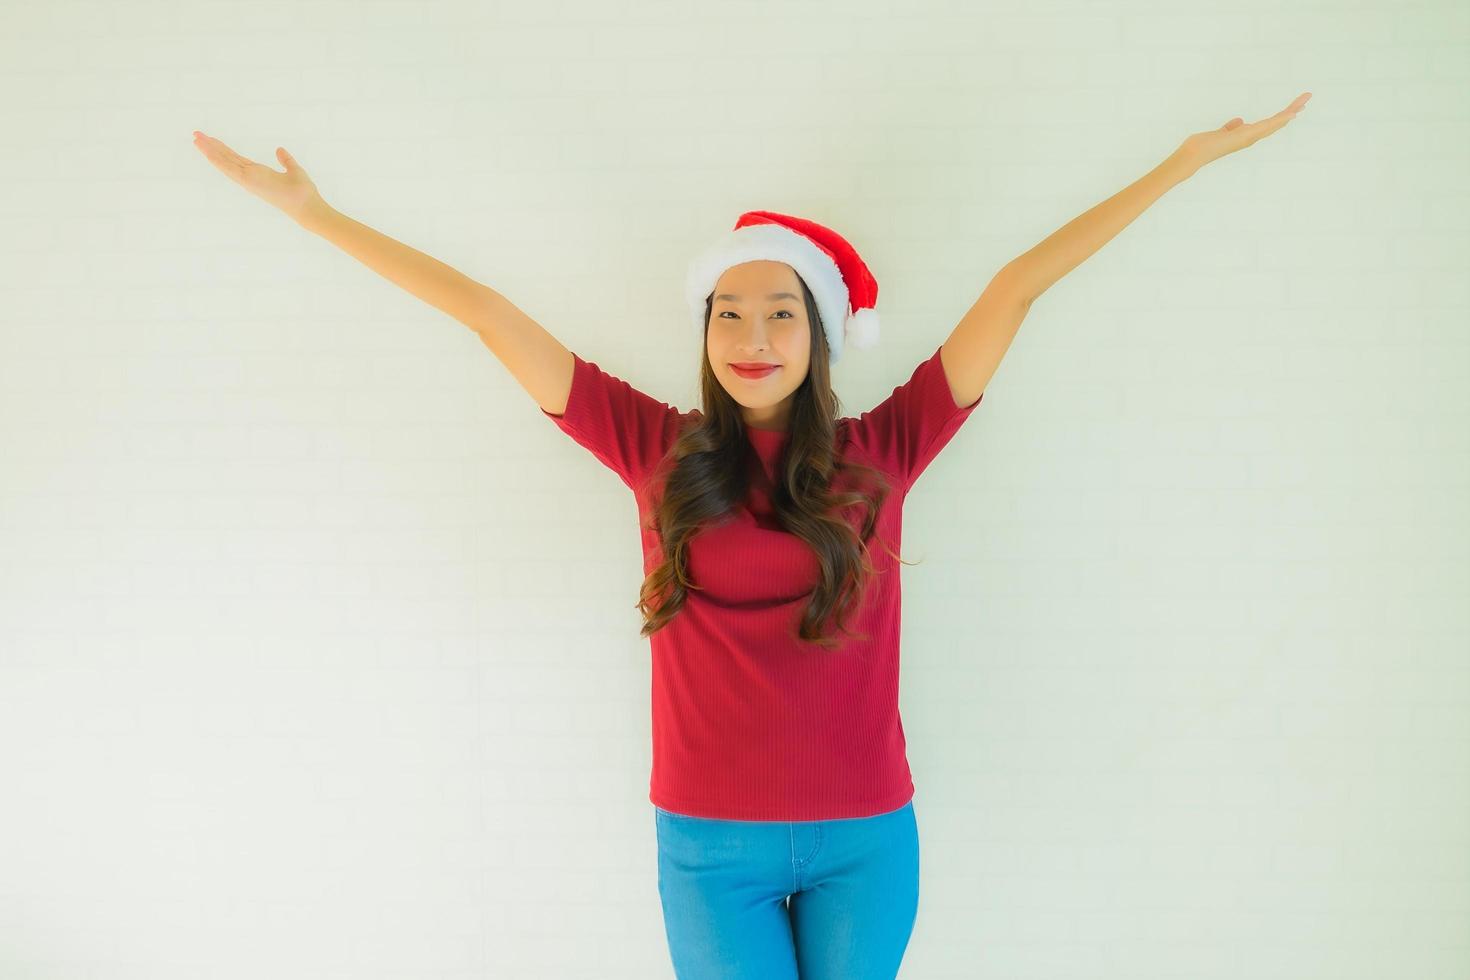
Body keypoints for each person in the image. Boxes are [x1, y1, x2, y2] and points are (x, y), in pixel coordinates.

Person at [191, 91, 1307, 977]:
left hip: (869, 839)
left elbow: (1015, 287)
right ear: (706, 331)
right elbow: (490, 314)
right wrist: (318, 217)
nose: (752, 333)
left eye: (781, 312)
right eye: (729, 311)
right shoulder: (653, 447)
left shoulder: (886, 447)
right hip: (706, 845)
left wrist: (1180, 164)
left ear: (818, 336)